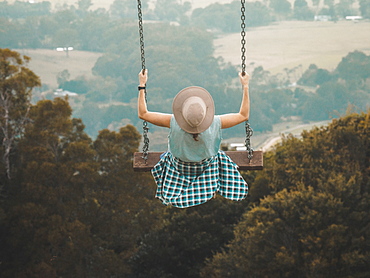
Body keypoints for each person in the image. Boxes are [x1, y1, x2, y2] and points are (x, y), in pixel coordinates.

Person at [138, 69, 250, 208]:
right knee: (219, 156)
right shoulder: (216, 122)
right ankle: (210, 185)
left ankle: (196, 188)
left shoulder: (173, 121)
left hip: (179, 168)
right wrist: (245, 85)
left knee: (167, 156)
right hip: (207, 167)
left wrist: (142, 84)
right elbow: (243, 115)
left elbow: (143, 113)